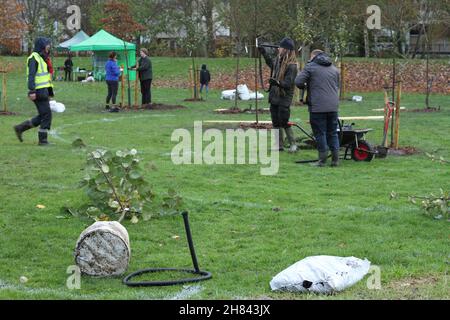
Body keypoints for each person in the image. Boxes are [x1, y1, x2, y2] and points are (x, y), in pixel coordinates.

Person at [295, 49, 340, 167]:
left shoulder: (310, 67)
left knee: (320, 133)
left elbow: (298, 81)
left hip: (317, 106)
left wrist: (306, 85)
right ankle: (335, 160)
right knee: (333, 133)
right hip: (333, 106)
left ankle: (322, 160)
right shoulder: (334, 69)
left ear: (313, 56)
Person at [258, 37, 299, 153]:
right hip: (274, 95)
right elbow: (271, 64)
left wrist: (277, 82)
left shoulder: (292, 65)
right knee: (275, 121)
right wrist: (264, 53)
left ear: (286, 50)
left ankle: (293, 144)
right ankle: (279, 145)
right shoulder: (278, 60)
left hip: (284, 96)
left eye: (281, 47)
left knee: (284, 120)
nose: (278, 49)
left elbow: (288, 83)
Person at [13, 37, 54, 146]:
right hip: (38, 91)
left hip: (43, 91)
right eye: (47, 44)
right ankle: (43, 141)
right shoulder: (34, 58)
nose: (48, 47)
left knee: (43, 115)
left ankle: (20, 128)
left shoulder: (42, 58)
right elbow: (31, 75)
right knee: (46, 115)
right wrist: (32, 91)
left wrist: (49, 93)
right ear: (41, 46)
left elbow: (45, 78)